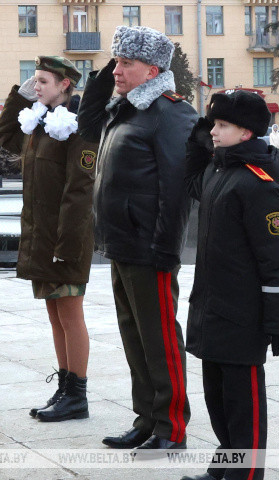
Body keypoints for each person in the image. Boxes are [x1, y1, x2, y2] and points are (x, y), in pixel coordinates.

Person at [77, 25, 198, 451]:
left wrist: (167, 249)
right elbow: (86, 123)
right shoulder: (124, 109)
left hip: (151, 249)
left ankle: (172, 428)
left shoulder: (170, 113)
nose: (118, 71)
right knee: (135, 337)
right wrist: (109, 70)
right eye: (117, 62)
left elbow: (177, 188)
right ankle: (146, 419)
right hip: (122, 242)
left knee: (160, 339)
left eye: (126, 63)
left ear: (153, 70)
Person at [179, 90, 279, 480]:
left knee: (243, 403)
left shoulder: (259, 186)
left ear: (247, 133)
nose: (214, 131)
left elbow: (277, 261)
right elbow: (190, 174)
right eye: (213, 124)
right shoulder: (217, 172)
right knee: (217, 398)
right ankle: (227, 463)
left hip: (244, 315)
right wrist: (202, 126)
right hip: (212, 308)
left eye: (222, 125)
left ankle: (246, 476)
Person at [0, 55, 97, 423]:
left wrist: (65, 246)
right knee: (55, 315)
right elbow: (4, 137)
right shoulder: (39, 124)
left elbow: (79, 191)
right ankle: (66, 388)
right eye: (33, 80)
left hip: (64, 240)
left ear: (65, 85)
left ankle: (78, 394)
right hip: (42, 238)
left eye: (42, 81)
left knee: (70, 314)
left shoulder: (77, 128)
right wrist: (23, 96)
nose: (35, 86)